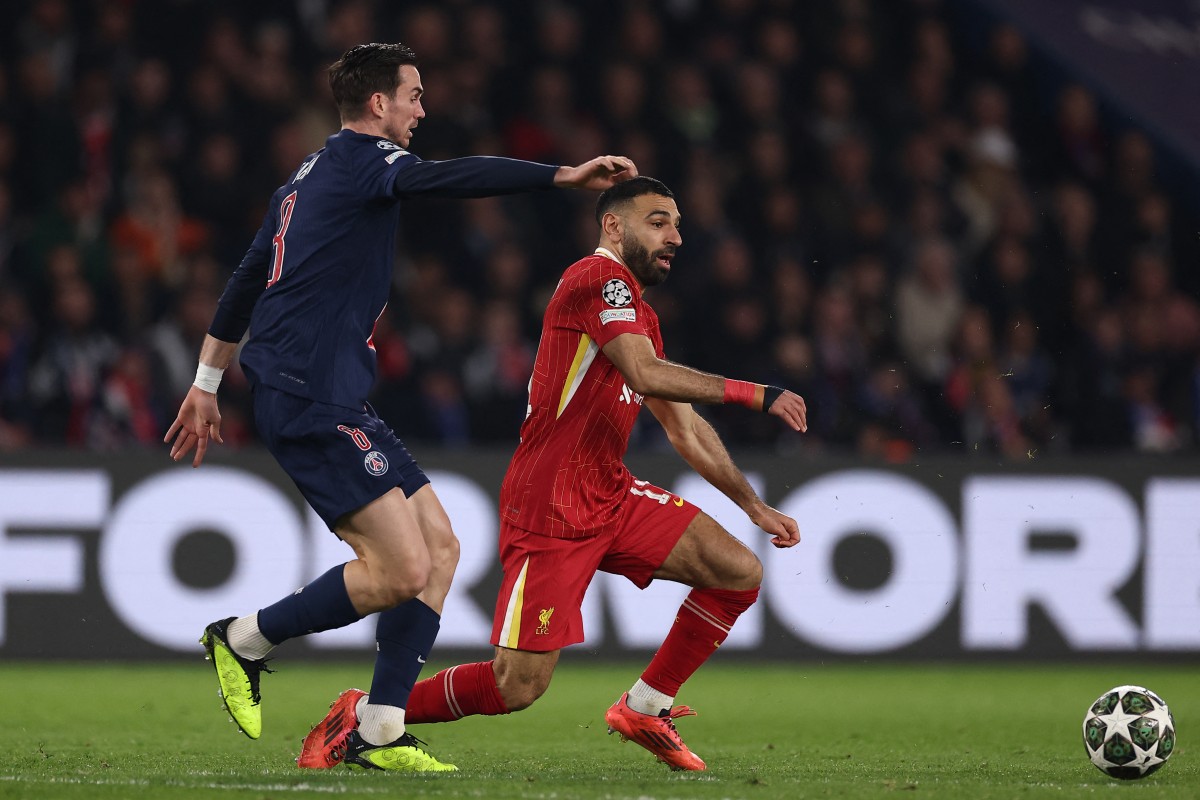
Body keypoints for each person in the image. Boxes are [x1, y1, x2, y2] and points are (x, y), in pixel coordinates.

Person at [163, 42, 636, 773]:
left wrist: (205, 382)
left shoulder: (302, 179)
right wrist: (561, 175)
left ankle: (379, 725)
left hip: (329, 390)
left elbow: (248, 278)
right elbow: (451, 180)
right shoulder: (365, 163)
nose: (423, 108)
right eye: (414, 94)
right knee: (400, 569)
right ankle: (243, 638)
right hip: (307, 391)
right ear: (377, 104)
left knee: (441, 550)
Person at [297, 176, 808, 773]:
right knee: (517, 686)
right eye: (658, 222)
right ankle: (365, 716)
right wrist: (757, 393)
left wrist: (752, 507)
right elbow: (644, 375)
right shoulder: (596, 279)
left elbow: (685, 429)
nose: (675, 236)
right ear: (614, 226)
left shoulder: (639, 310)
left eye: (676, 224)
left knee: (737, 572)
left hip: (608, 493)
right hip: (551, 508)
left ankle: (647, 706)